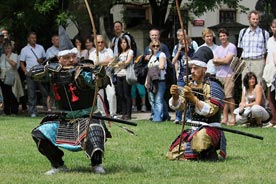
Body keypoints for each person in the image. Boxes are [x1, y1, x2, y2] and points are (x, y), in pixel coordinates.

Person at [31, 47, 109, 175]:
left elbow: (97, 82)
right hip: (64, 119)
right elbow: (32, 74)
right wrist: (46, 68)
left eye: (73, 56)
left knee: (94, 131)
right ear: (59, 59)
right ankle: (58, 165)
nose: (71, 60)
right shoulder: (52, 70)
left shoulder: (84, 70)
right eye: (67, 58)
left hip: (87, 116)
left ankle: (96, 165)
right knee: (39, 133)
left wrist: (99, 75)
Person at [166, 46, 226, 161]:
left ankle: (208, 152)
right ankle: (200, 155)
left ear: (204, 69)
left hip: (211, 129)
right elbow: (180, 106)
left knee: (199, 140)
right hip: (194, 129)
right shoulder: (189, 85)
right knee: (172, 154)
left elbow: (211, 110)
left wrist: (194, 100)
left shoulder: (213, 85)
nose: (192, 71)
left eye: (195, 68)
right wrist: (175, 97)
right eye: (191, 68)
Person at [19, 32, 48, 117]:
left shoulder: (40, 47)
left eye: (35, 38)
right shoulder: (24, 49)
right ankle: (32, 111)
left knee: (44, 91)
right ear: (28, 39)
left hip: (40, 71)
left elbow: (45, 59)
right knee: (31, 93)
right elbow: (21, 63)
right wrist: (25, 72)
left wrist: (41, 60)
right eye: (32, 38)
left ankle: (45, 110)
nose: (34, 39)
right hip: (30, 72)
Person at [237, 10, 269, 87]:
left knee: (258, 85)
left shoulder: (264, 33)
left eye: (257, 19)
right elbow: (240, 48)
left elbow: (267, 51)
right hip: (245, 61)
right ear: (249, 19)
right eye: (253, 19)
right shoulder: (243, 32)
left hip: (259, 61)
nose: (255, 21)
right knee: (245, 85)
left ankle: (259, 99)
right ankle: (245, 99)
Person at [89, 35, 118, 118]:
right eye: (98, 42)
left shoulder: (109, 51)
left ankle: (113, 113)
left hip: (107, 75)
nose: (100, 44)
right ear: (95, 43)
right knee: (99, 96)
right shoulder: (92, 53)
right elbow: (92, 65)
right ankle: (103, 114)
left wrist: (98, 63)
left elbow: (110, 61)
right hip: (97, 76)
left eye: (102, 42)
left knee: (112, 94)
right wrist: (104, 62)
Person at [213, 28, 237, 125]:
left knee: (229, 97)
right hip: (219, 75)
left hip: (229, 75)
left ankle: (233, 118)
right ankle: (225, 118)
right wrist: (222, 60)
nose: (222, 37)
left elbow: (227, 61)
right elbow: (214, 62)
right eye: (221, 36)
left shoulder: (231, 47)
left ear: (227, 36)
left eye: (224, 35)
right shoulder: (217, 48)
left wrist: (220, 60)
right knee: (222, 98)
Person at [145, 40, 169, 122]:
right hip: (151, 81)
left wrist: (155, 68)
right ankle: (165, 115)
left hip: (160, 80)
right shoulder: (151, 57)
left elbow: (162, 66)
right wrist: (146, 82)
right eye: (153, 46)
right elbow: (148, 71)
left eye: (157, 46)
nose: (155, 47)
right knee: (154, 100)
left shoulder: (161, 54)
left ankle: (157, 119)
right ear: (150, 47)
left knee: (158, 100)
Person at [0, 43, 23, 115]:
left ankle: (14, 110)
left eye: (9, 48)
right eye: (6, 48)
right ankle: (6, 111)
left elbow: (14, 65)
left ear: (11, 49)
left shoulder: (15, 55)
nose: (7, 50)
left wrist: (8, 58)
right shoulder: (2, 56)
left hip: (12, 76)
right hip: (3, 77)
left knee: (13, 94)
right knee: (5, 94)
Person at [114, 36, 133, 120]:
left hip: (126, 74)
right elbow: (113, 63)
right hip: (118, 74)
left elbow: (128, 61)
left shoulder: (130, 52)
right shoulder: (119, 54)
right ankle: (123, 112)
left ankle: (128, 113)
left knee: (127, 94)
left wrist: (118, 64)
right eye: (121, 43)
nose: (123, 44)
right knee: (121, 95)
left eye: (124, 42)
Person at [263, 19, 276, 128]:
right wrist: (266, 67)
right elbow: (268, 54)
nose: (274, 29)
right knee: (270, 96)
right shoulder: (270, 40)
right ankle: (273, 121)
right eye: (273, 27)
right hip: (271, 70)